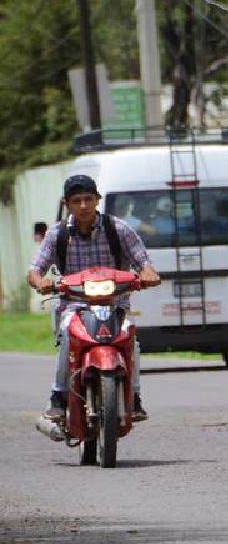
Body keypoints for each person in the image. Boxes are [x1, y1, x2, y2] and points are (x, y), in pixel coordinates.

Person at [28, 175, 161, 421]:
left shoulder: (118, 229)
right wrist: (41, 282)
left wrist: (148, 274)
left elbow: (143, 262)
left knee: (131, 337)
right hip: (74, 306)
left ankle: (134, 396)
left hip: (115, 304)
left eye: (88, 199)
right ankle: (58, 396)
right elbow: (35, 270)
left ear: (98, 200)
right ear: (66, 204)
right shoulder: (56, 234)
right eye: (76, 201)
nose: (83, 206)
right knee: (68, 335)